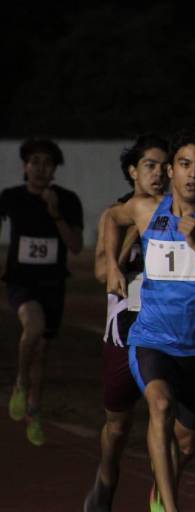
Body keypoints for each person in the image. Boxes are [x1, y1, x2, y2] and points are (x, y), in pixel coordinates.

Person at [104, 127, 195, 512]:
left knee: (186, 442)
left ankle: (162, 484)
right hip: (152, 338)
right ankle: (170, 507)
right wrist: (114, 265)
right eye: (185, 165)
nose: (194, 174)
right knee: (160, 404)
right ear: (171, 170)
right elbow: (111, 217)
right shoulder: (146, 209)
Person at [84, 134, 169, 511]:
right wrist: (135, 224)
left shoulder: (181, 212)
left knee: (163, 410)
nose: (159, 173)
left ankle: (162, 490)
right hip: (123, 330)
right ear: (133, 171)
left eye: (165, 166)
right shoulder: (114, 215)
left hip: (167, 326)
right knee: (117, 426)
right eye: (150, 165)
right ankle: (106, 476)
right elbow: (102, 270)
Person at [0, 138, 83, 446]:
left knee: (42, 352)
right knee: (32, 329)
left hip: (53, 284)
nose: (40, 168)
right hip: (21, 281)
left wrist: (55, 213)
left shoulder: (67, 200)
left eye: (47, 163)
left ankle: (34, 410)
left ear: (54, 169)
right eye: (34, 161)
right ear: (24, 166)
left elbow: (74, 246)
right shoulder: (11, 197)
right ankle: (20, 382)